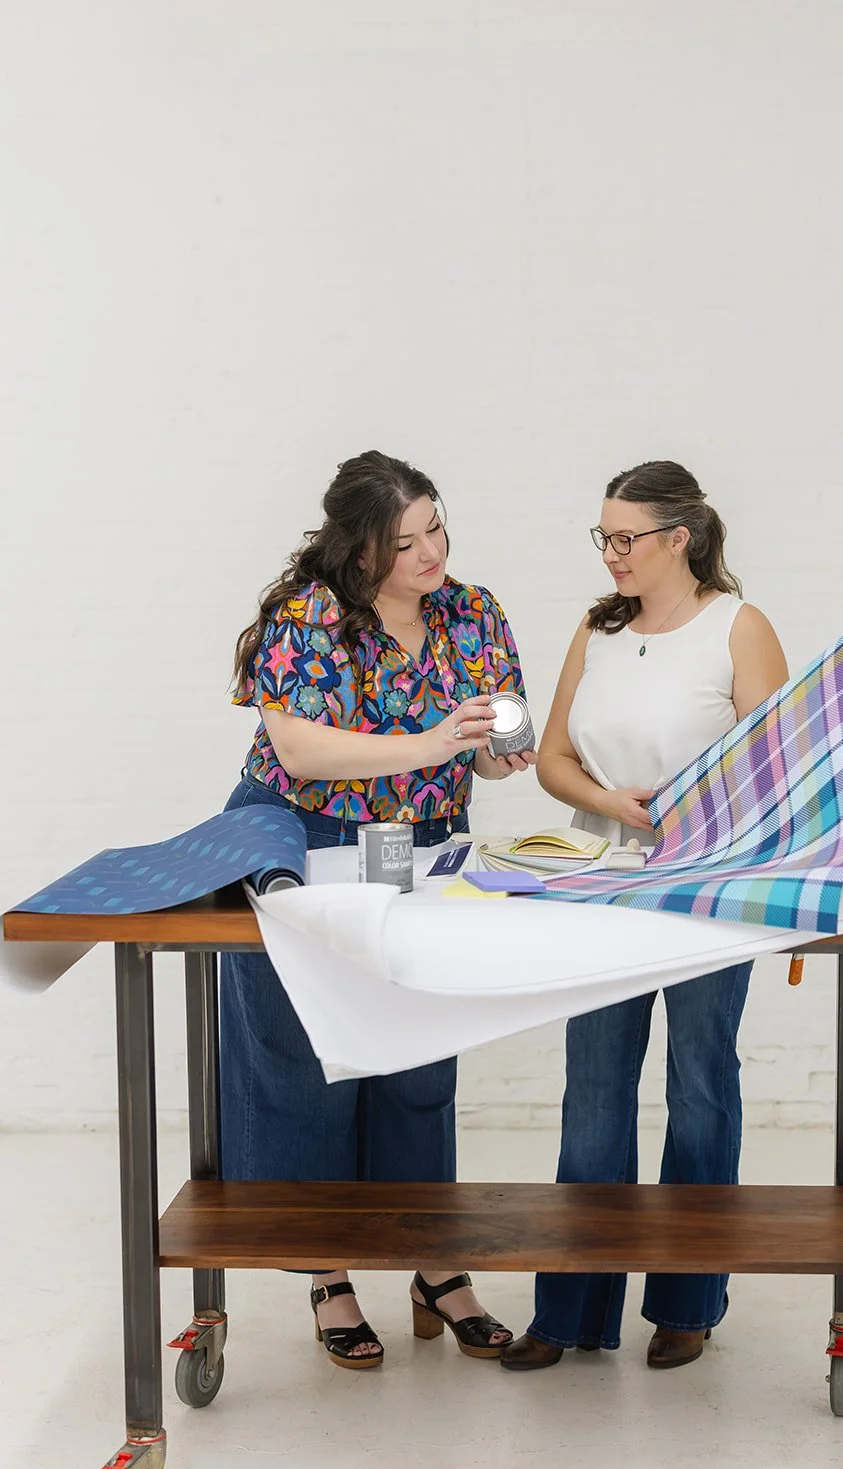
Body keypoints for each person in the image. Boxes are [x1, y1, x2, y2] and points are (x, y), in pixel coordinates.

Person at [223, 449, 534, 1370]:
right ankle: (329, 1272)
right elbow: (300, 749)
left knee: (416, 1050)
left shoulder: (472, 612)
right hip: (304, 839)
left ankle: (435, 1262)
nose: (431, 553)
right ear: (360, 551)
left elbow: (477, 746)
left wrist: (489, 754)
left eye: (436, 527)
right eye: (405, 543)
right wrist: (426, 740)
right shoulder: (307, 616)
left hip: (422, 846)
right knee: (307, 1056)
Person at [501, 459, 789, 1373]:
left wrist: (687, 811)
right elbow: (550, 761)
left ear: (680, 538)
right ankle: (573, 1309)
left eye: (626, 538)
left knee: (700, 1084)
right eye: (604, 537)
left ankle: (687, 1302)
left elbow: (776, 775)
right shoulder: (597, 628)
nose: (612, 554)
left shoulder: (737, 630)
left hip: (708, 892)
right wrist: (608, 802)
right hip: (601, 887)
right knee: (594, 1091)